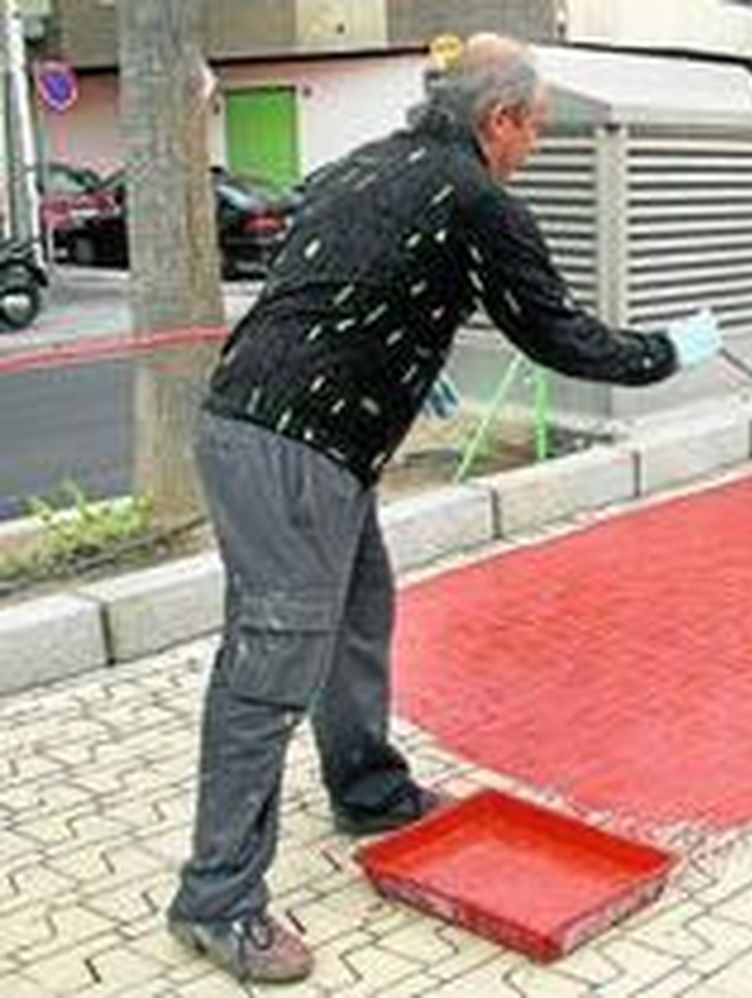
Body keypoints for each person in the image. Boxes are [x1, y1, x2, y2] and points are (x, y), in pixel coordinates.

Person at [166, 33, 723, 984]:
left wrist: (398, 362)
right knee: (270, 669)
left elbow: (333, 279)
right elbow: (555, 334)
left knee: (357, 618)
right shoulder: (477, 197)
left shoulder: (358, 166)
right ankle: (217, 899)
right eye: (533, 130)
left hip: (286, 434)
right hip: (292, 451)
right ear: (496, 118)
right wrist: (667, 353)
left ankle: (369, 791)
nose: (533, 147)